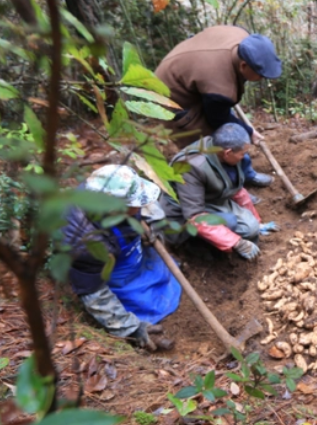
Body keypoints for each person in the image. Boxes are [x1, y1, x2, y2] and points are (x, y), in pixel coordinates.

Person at [62, 165, 181, 351]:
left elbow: (139, 206)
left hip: (127, 251)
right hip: (109, 272)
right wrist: (131, 328)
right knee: (139, 301)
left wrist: (144, 226)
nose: (140, 206)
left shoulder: (101, 188)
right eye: (135, 205)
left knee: (159, 271)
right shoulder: (83, 242)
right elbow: (93, 292)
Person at [155, 25, 282, 189]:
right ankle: (228, 187)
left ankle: (246, 174)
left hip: (194, 78)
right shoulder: (220, 86)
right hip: (169, 94)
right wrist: (249, 132)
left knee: (231, 133)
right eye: (260, 75)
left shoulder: (240, 36)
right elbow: (219, 122)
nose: (262, 79)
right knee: (214, 146)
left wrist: (247, 131)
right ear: (243, 66)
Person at [160, 123, 279, 260]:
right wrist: (236, 242)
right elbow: (195, 216)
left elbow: (236, 189)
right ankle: (195, 245)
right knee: (231, 222)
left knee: (251, 228)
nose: (245, 156)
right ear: (228, 153)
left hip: (209, 198)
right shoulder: (191, 167)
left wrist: (258, 223)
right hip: (184, 213)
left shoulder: (222, 151)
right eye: (243, 154)